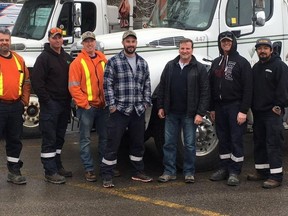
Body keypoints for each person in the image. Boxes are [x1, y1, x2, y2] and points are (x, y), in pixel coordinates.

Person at [100, 30, 153, 188]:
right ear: (123, 43)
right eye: (128, 42)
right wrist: (112, 105)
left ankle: (138, 171)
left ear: (136, 44)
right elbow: (107, 84)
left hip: (137, 110)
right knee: (112, 143)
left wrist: (145, 103)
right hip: (120, 110)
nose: (131, 44)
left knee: (138, 143)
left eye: (133, 42)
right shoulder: (114, 62)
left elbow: (147, 85)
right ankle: (107, 175)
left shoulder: (143, 63)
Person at [157, 38, 210, 183]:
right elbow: (162, 88)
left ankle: (189, 172)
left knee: (190, 144)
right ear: (178, 49)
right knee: (168, 144)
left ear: (192, 50)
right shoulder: (170, 66)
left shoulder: (199, 68)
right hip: (171, 112)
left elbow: (205, 92)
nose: (184, 51)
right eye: (182, 48)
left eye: (187, 49)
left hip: (189, 114)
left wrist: (200, 113)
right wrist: (161, 106)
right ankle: (169, 171)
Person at [209, 31, 252, 186]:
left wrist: (243, 110)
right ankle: (224, 168)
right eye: (223, 42)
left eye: (228, 41)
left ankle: (234, 171)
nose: (226, 44)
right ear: (219, 44)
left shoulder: (242, 62)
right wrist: (212, 108)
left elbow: (248, 88)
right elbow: (211, 86)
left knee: (236, 139)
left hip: (236, 106)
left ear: (233, 42)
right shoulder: (215, 62)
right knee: (223, 139)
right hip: (219, 107)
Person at [31, 27, 73, 184]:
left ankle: (57, 165)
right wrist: (47, 101)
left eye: (59, 37)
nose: (57, 40)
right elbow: (37, 82)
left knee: (60, 137)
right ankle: (50, 171)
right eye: (54, 37)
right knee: (49, 138)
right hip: (51, 105)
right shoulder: (43, 58)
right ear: (49, 39)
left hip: (64, 104)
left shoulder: (67, 58)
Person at [247, 38, 288, 189]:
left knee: (273, 144)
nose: (262, 51)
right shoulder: (256, 67)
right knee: (259, 143)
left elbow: (284, 89)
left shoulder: (280, 66)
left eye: (265, 48)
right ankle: (262, 171)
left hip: (272, 113)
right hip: (259, 113)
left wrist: (278, 106)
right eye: (259, 48)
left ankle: (276, 176)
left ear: (271, 50)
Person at [68, 31, 109, 182]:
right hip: (87, 108)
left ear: (95, 42)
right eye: (86, 42)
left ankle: (106, 167)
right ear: (83, 44)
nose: (89, 44)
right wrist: (84, 104)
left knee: (105, 138)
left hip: (103, 107)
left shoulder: (103, 59)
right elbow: (73, 87)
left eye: (91, 41)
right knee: (85, 139)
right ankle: (89, 169)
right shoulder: (77, 63)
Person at [0, 27, 31, 185]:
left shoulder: (19, 59)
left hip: (15, 106)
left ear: (10, 41)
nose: (4, 43)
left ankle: (14, 171)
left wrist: (24, 101)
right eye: (1, 40)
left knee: (14, 140)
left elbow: (26, 81)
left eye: (6, 40)